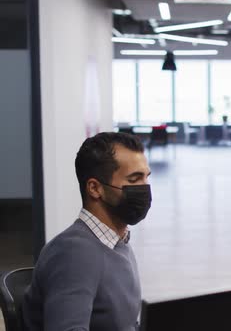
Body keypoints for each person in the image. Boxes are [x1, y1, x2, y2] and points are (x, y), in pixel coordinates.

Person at [23, 132, 152, 331]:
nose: (145, 189)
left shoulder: (117, 242)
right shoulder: (73, 253)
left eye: (146, 178)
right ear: (94, 188)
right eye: (134, 180)